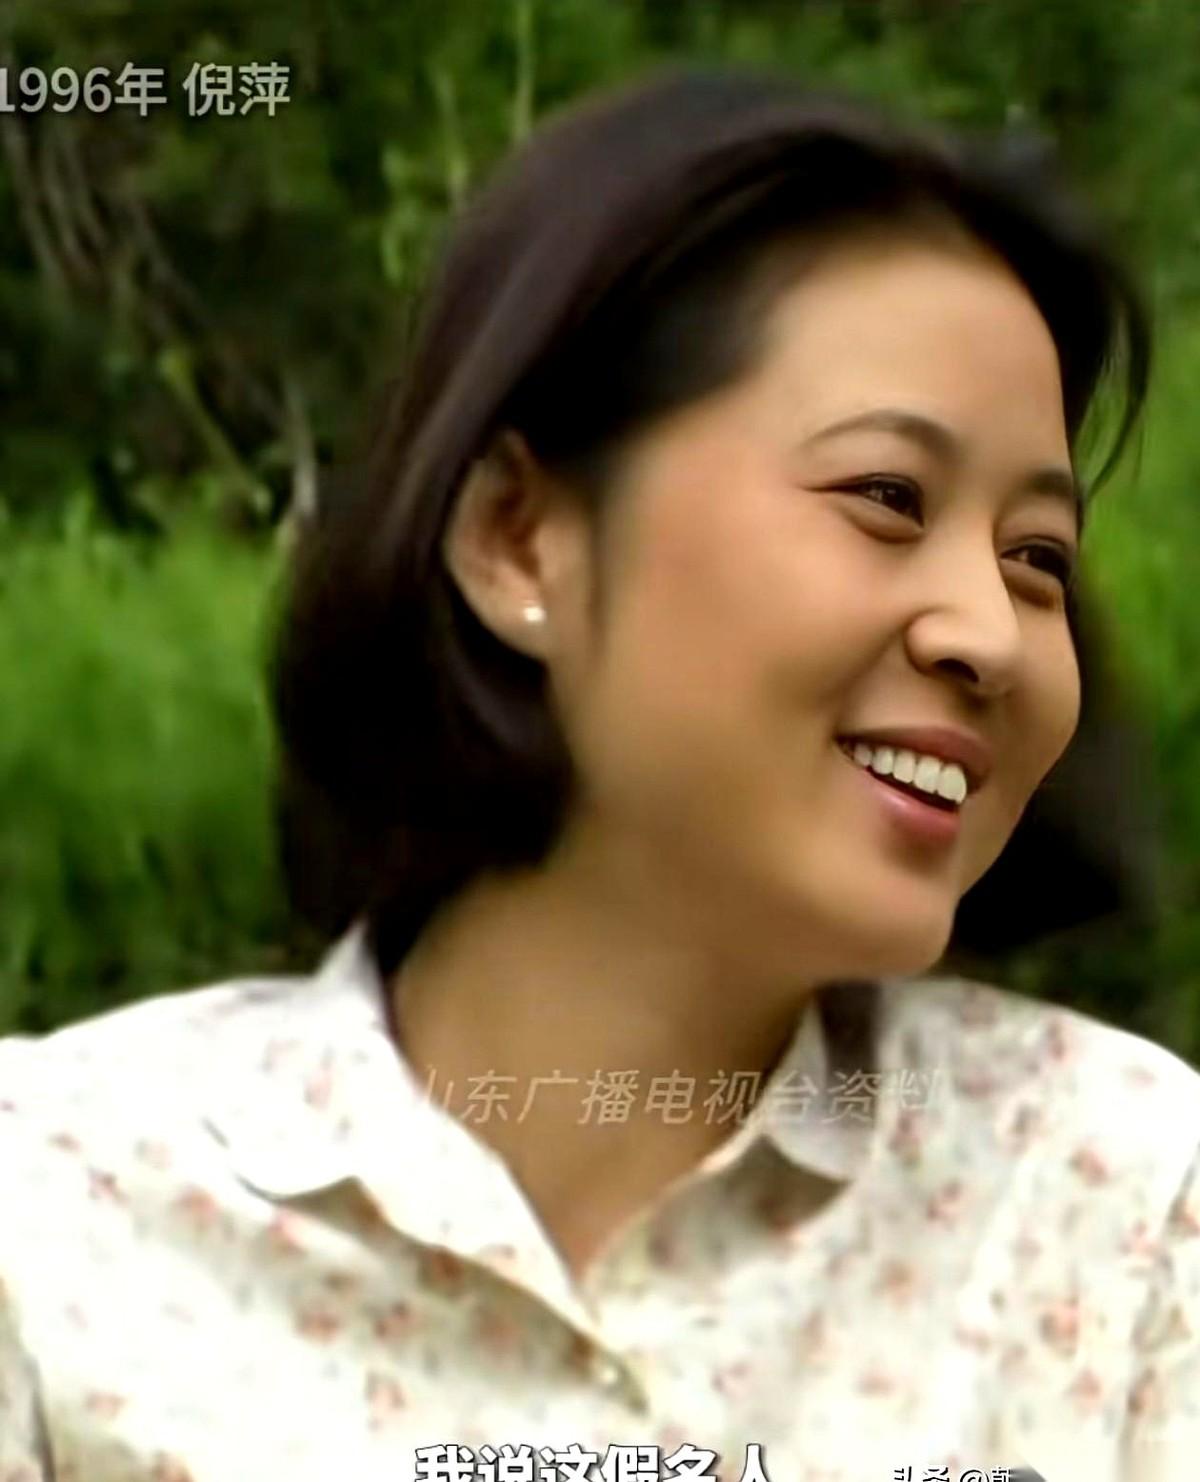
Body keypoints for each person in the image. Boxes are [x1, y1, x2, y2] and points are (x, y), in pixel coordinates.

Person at [1, 62, 1196, 1482]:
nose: (989, 633)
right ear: (517, 537)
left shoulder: (1126, 1207)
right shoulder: (55, 1209)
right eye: (887, 497)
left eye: (1038, 559)